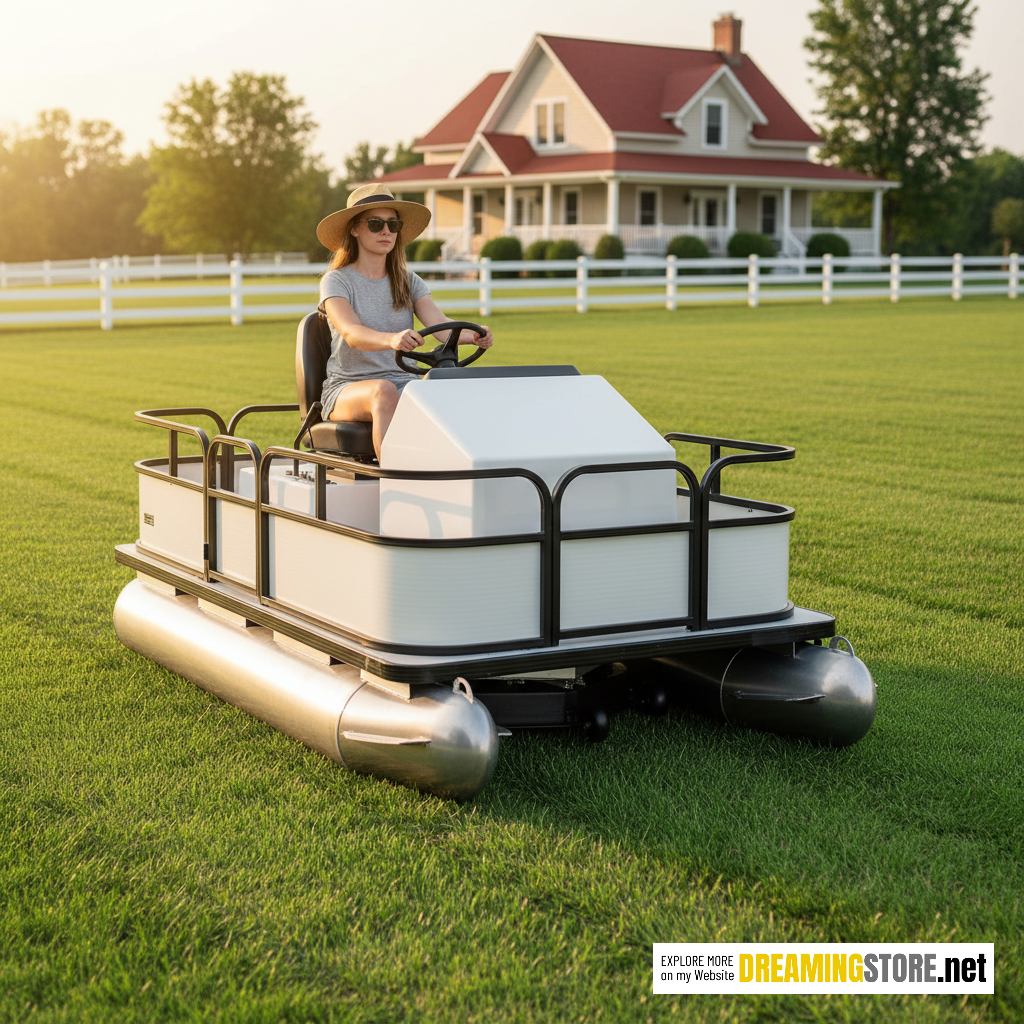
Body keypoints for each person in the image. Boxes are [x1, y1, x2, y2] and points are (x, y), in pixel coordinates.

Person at [315, 184, 493, 459]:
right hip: (348, 387)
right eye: (375, 224)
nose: (386, 231)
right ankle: (396, 482)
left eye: (392, 224)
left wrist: (473, 335)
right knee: (383, 393)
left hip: (404, 381)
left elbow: (442, 326)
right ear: (355, 229)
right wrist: (391, 339)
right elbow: (351, 332)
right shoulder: (337, 280)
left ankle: (466, 474)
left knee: (454, 388)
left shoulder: (408, 281)